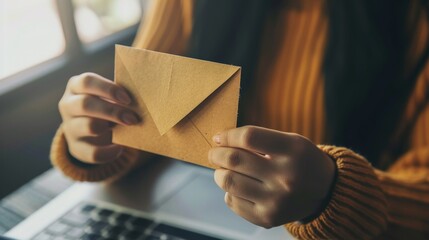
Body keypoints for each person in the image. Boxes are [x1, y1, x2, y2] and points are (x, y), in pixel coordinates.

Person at [51, 0, 429, 239]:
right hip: (185, 209)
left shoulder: (413, 18)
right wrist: (100, 138)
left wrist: (337, 196)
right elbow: (145, 119)